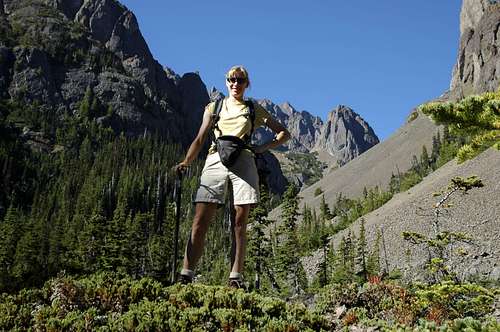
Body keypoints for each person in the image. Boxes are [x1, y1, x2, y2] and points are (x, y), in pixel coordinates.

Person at [175, 65, 290, 288]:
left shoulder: (253, 108)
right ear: (227, 82)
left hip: (244, 161)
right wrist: (186, 162)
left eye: (240, 80)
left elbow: (284, 133)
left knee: (239, 223)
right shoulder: (214, 106)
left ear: (247, 84)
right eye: (232, 79)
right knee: (200, 219)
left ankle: (235, 278)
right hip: (215, 160)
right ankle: (186, 274)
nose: (235, 83)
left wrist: (262, 148)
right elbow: (200, 139)